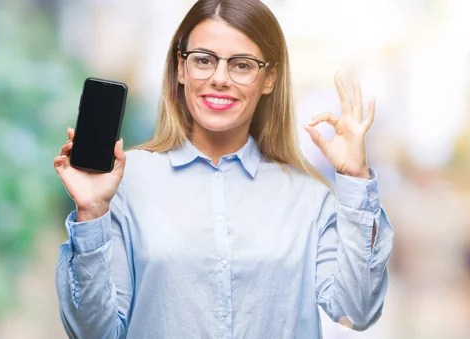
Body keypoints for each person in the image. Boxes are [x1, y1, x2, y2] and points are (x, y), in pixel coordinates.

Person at [53, 0, 394, 338]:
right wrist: (93, 212)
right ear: (181, 68)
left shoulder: (309, 196)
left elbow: (357, 311)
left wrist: (355, 179)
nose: (219, 79)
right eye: (203, 60)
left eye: (242, 65)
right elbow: (94, 333)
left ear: (269, 78)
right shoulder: (125, 181)